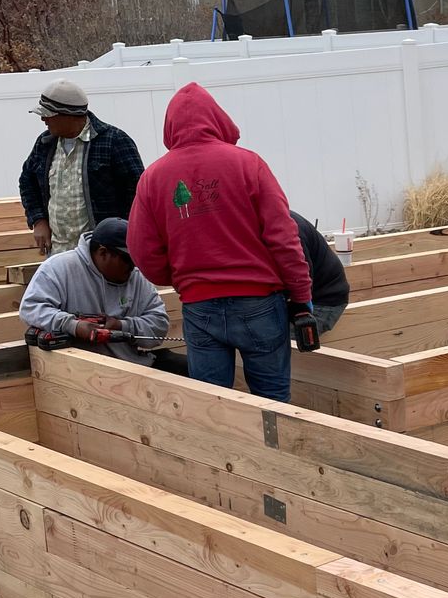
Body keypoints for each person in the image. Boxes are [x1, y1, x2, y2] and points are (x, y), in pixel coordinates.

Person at [127, 83, 316, 401]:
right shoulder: (249, 164)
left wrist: (180, 279)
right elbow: (284, 238)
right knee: (272, 404)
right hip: (259, 305)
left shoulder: (154, 177)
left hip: (200, 308)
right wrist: (301, 296)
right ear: (217, 118)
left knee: (212, 405)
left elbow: (142, 249)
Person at [17, 79, 145, 256]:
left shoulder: (114, 142)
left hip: (102, 256)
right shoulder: (45, 144)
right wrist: (38, 220)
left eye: (49, 114)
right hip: (58, 252)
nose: (43, 119)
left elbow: (138, 194)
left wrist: (120, 243)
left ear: (69, 116)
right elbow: (27, 181)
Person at [17, 217, 169, 364]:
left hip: (131, 365)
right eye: (128, 259)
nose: (134, 266)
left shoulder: (136, 278)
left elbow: (159, 325)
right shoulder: (59, 268)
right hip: (78, 370)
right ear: (103, 253)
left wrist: (121, 326)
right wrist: (73, 326)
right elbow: (31, 308)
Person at [291, 209, 351, 335]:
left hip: (325, 300)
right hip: (316, 292)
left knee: (279, 341)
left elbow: (302, 277)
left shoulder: (287, 229)